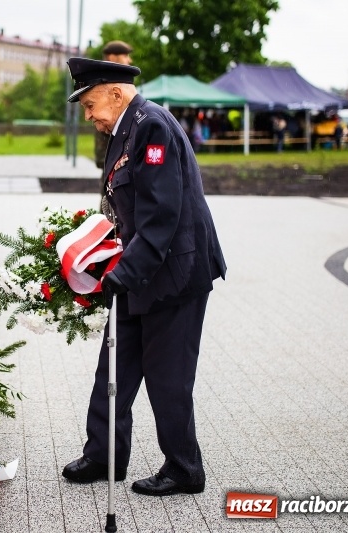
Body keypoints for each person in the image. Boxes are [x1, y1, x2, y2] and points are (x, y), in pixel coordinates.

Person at [61, 57, 227, 497]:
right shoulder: (127, 128)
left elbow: (161, 213)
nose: (88, 115)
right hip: (142, 270)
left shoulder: (151, 126)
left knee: (167, 376)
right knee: (114, 366)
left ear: (116, 94)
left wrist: (125, 271)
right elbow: (126, 206)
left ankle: (184, 469)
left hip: (175, 274)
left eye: (90, 104)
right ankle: (104, 455)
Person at [94, 41, 134, 211]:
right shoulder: (106, 85)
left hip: (118, 160)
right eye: (125, 55)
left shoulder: (118, 82)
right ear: (112, 57)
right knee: (110, 211)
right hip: (112, 160)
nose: (129, 60)